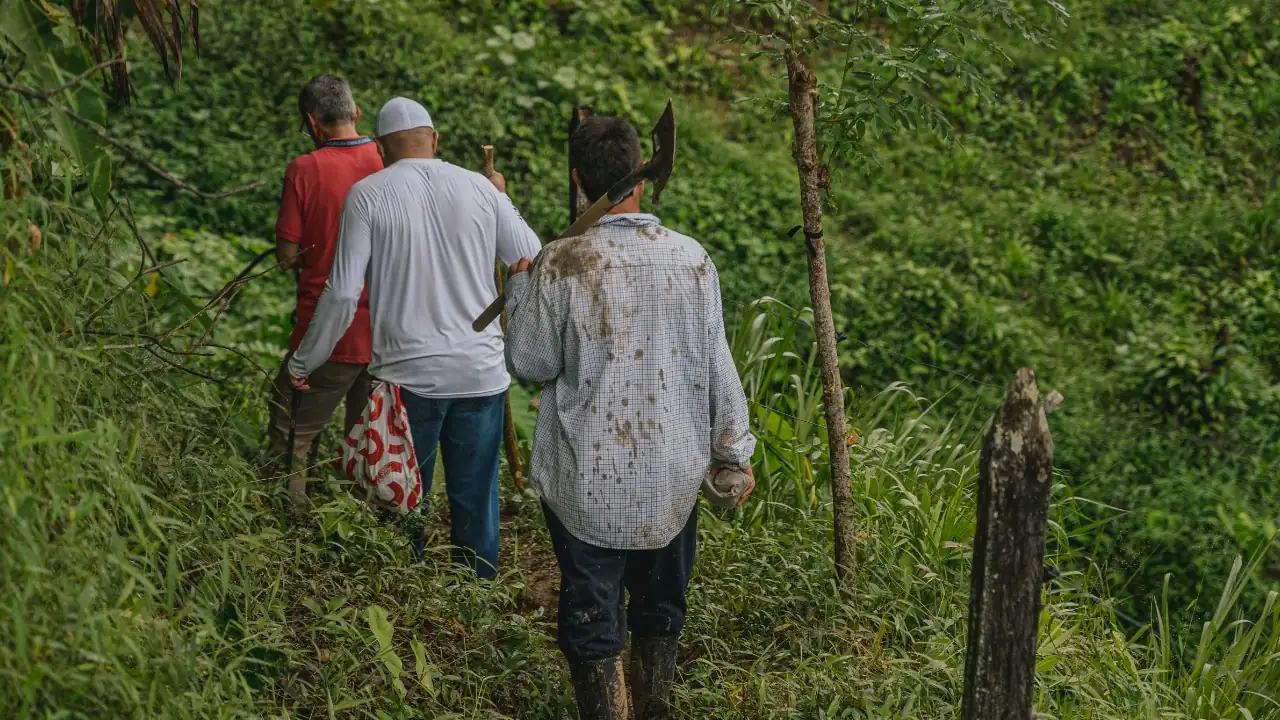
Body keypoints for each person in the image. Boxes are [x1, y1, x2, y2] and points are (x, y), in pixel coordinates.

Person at [503, 116, 756, 720]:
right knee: (660, 604)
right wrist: (733, 452)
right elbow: (717, 364)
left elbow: (530, 363)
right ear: (641, 175)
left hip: (585, 484)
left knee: (592, 611)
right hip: (672, 477)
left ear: (577, 180)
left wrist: (519, 290)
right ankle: (655, 708)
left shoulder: (561, 263)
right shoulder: (693, 260)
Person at [288, 97, 541, 579]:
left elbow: (342, 295)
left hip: (405, 382)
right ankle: (476, 599)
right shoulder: (480, 188)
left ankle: (404, 595)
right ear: (436, 139)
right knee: (476, 499)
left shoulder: (367, 194)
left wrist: (305, 361)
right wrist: (501, 201)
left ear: (382, 148)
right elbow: (530, 257)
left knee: (400, 496)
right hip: (479, 375)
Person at [268, 74, 382, 505]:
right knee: (368, 434)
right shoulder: (387, 161)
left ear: (312, 123)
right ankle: (364, 521)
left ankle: (292, 513)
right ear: (355, 113)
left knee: (293, 423)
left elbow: (287, 254)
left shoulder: (305, 169)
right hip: (385, 331)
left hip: (325, 330)